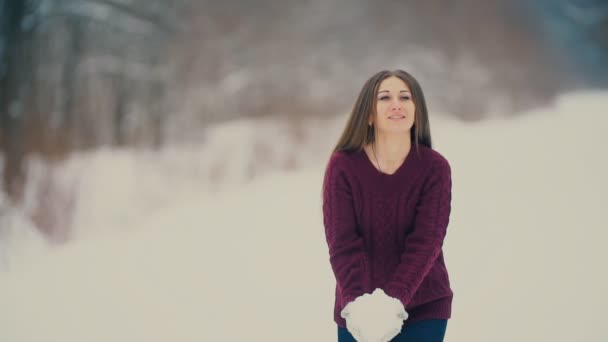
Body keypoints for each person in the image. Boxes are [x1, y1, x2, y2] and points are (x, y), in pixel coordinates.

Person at [322, 69, 453, 342]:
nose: (396, 103)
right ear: (369, 114)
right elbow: (343, 244)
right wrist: (360, 306)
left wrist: (392, 304)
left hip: (423, 308)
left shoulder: (434, 168)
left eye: (405, 97)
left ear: (416, 110)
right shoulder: (343, 166)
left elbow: (426, 243)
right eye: (385, 97)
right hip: (356, 310)